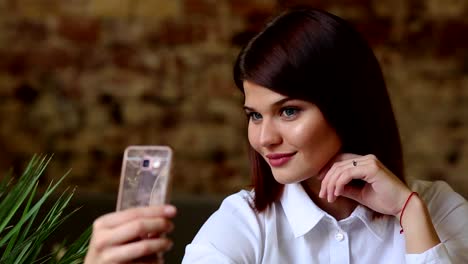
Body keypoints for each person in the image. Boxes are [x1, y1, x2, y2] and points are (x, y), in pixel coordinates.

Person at [84, 7, 468, 263]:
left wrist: (409, 211)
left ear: (346, 106)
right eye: (254, 115)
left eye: (288, 111)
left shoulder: (441, 209)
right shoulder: (244, 222)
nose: (264, 138)